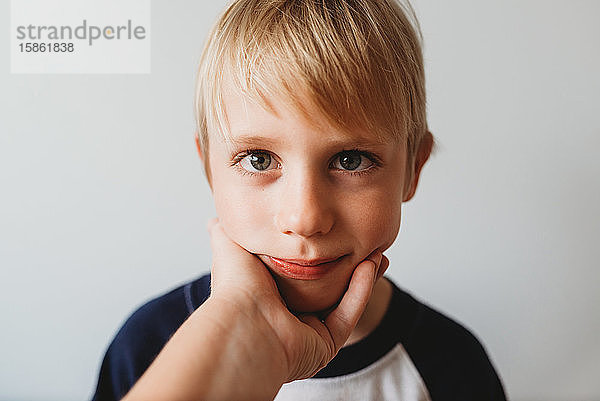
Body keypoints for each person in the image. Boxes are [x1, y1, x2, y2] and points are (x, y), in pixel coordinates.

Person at [91, 0, 507, 400]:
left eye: (350, 159)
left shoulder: (454, 367)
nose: (305, 218)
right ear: (210, 171)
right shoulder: (147, 350)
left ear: (412, 171)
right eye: (258, 159)